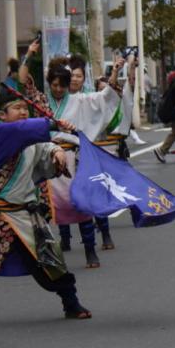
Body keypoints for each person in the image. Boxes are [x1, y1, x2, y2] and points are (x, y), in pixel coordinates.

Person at [0, 89, 90, 328]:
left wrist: (58, 151)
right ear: (2, 114)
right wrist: (52, 123)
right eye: (17, 108)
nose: (23, 112)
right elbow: (25, 131)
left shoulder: (29, 139)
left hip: (25, 212)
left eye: (25, 108)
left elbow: (45, 146)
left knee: (52, 262)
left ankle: (71, 304)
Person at [22, 50, 123, 268]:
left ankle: (90, 250)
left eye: (62, 85)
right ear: (49, 83)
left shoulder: (80, 100)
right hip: (48, 160)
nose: (58, 89)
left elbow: (105, 97)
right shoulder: (42, 102)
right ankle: (47, 254)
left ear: (68, 85)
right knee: (42, 210)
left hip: (73, 160)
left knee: (82, 204)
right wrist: (28, 56)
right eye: (54, 85)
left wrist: (114, 72)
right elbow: (25, 83)